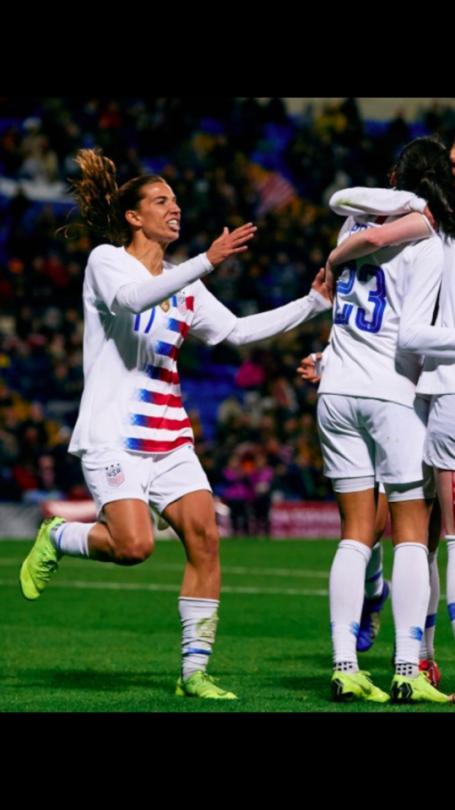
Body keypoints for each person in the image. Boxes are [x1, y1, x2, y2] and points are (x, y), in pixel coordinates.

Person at [19, 148, 332, 701]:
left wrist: (312, 303)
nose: (175, 208)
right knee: (134, 547)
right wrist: (207, 261)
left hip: (169, 439)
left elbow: (235, 332)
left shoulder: (186, 282)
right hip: (113, 434)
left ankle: (194, 672)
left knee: (205, 538)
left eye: (177, 200)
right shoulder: (106, 261)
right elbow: (133, 298)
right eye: (161, 201)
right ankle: (60, 535)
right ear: (134, 217)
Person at [315, 136, 455, 704]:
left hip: (334, 391)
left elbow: (344, 199)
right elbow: (413, 335)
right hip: (391, 395)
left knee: (354, 537)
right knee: (413, 537)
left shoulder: (351, 227)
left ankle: (345, 666)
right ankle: (407, 669)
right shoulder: (429, 237)